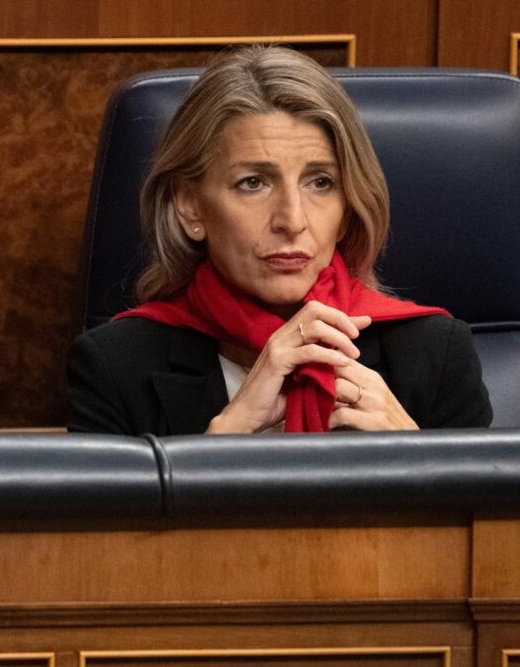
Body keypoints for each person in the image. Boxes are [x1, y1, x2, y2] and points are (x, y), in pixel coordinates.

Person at [68, 46, 492, 435]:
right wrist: (212, 454)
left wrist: (421, 462)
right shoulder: (113, 369)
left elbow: (492, 519)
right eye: (253, 183)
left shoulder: (437, 357)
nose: (292, 220)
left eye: (321, 183)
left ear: (348, 210)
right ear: (190, 207)